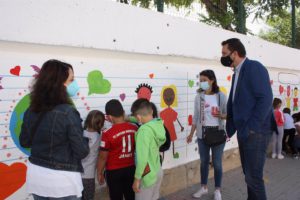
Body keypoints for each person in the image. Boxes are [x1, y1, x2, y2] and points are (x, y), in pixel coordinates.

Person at [19, 59, 89, 200]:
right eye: (71, 80)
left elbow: (24, 142)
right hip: (63, 181)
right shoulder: (68, 112)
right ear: (59, 84)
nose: (74, 84)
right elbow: (81, 151)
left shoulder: (31, 110)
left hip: (37, 177)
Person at [222, 38, 274, 200]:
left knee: (253, 177)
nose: (222, 56)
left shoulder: (254, 68)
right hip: (246, 132)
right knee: (249, 175)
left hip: (256, 132)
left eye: (225, 53)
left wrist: (252, 127)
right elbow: (236, 103)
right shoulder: (238, 72)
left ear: (235, 53)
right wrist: (231, 128)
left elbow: (265, 99)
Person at [186, 69, 227, 200]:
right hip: (202, 134)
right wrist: (191, 134)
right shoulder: (199, 97)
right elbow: (196, 117)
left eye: (204, 80)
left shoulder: (221, 96)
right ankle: (203, 187)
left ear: (212, 80)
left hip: (218, 133)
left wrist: (221, 115)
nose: (202, 83)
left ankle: (217, 190)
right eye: (200, 80)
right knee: (204, 162)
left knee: (217, 163)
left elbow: (228, 114)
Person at [97, 99, 138, 200]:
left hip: (114, 172)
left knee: (116, 197)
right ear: (123, 112)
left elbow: (103, 157)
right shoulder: (135, 128)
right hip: (131, 169)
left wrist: (99, 173)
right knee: (130, 196)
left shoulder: (107, 133)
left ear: (109, 117)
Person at [131, 100, 166, 200]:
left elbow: (142, 159)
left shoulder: (143, 131)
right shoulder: (158, 124)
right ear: (151, 111)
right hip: (157, 171)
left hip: (147, 175)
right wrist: (129, 118)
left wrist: (137, 179)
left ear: (138, 117)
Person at [81, 110, 105, 200]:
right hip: (89, 175)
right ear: (101, 124)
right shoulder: (99, 137)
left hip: (77, 174)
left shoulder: (80, 134)